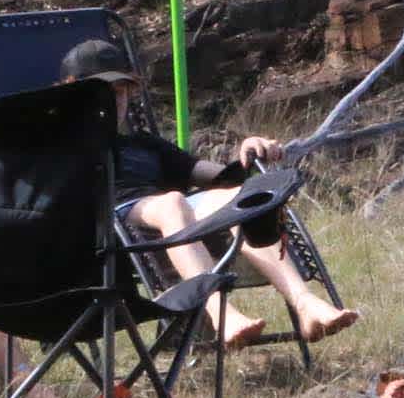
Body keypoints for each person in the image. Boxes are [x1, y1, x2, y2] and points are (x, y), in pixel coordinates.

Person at [57, 38, 358, 349]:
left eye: (121, 91)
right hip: (116, 222)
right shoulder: (61, 146)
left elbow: (218, 175)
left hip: (177, 218)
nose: (117, 100)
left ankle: (305, 302)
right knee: (172, 203)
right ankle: (218, 312)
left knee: (241, 197)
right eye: (105, 91)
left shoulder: (145, 144)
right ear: (73, 92)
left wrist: (247, 154)